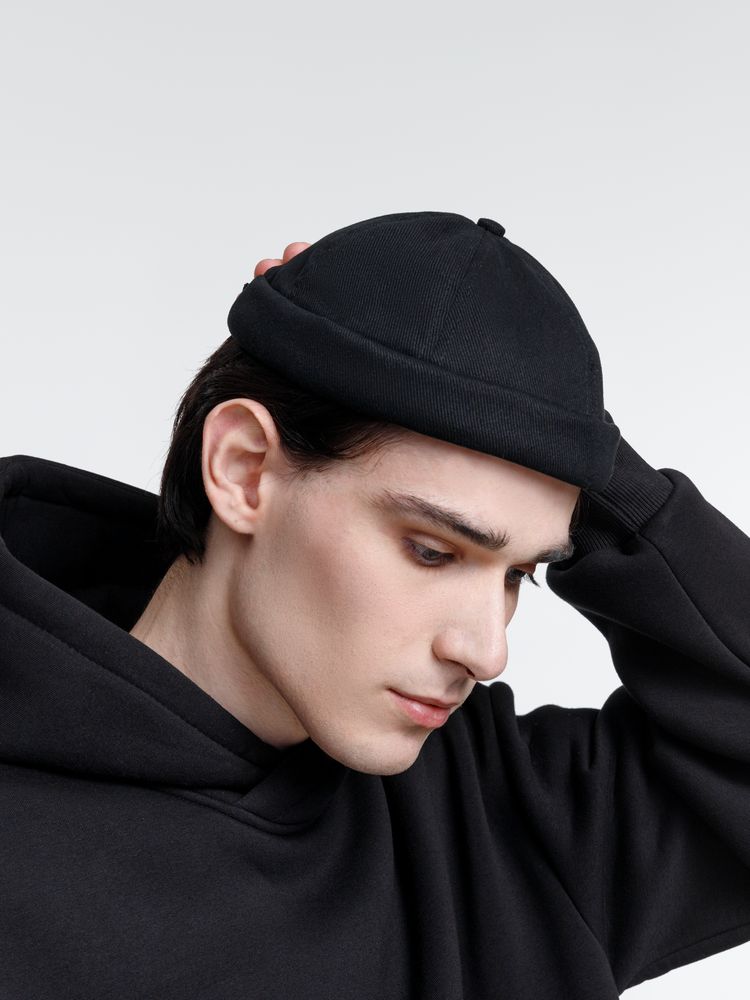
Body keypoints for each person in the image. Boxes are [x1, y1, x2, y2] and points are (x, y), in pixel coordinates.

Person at [1, 211, 748, 999]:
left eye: (517, 575)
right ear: (244, 469)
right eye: (431, 551)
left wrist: (550, 424)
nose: (487, 652)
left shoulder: (506, 821)